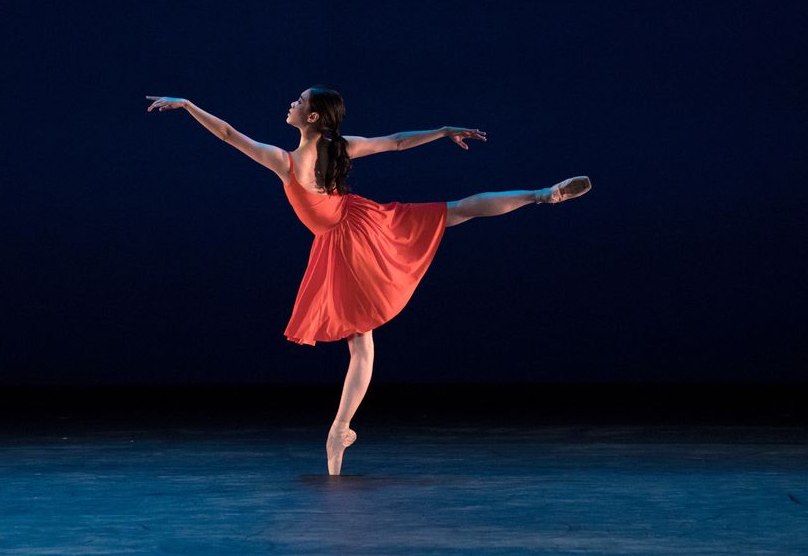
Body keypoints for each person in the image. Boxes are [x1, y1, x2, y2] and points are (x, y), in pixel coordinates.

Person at [146, 86, 591, 475]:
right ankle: (540, 195)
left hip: (346, 242)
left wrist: (188, 105)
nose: (291, 104)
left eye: (299, 102)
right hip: (363, 220)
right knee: (455, 212)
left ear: (312, 117)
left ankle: (340, 430)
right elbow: (396, 142)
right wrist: (440, 131)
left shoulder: (286, 161)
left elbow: (228, 134)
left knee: (362, 342)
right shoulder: (341, 147)